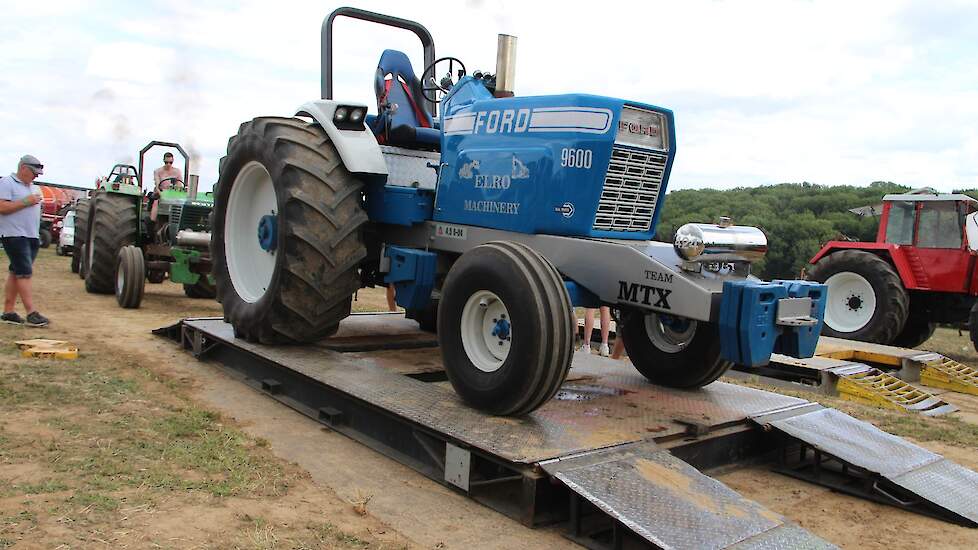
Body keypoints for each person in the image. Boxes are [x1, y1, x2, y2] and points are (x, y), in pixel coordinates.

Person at [0, 155, 50, 327]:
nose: (36, 176)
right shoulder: (7, 183)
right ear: (23, 168)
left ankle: (8, 311)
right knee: (24, 273)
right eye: (34, 172)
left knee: (16, 272)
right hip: (14, 235)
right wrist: (26, 202)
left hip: (30, 236)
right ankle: (31, 313)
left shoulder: (34, 188)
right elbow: (2, 207)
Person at [150, 152, 183, 222]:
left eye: (170, 162)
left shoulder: (177, 172)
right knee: (156, 202)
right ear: (163, 161)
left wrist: (175, 191)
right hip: (160, 193)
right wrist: (162, 195)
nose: (168, 164)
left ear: (173, 161)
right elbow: (157, 185)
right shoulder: (158, 171)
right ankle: (152, 221)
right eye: (166, 162)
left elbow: (180, 185)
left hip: (173, 195)